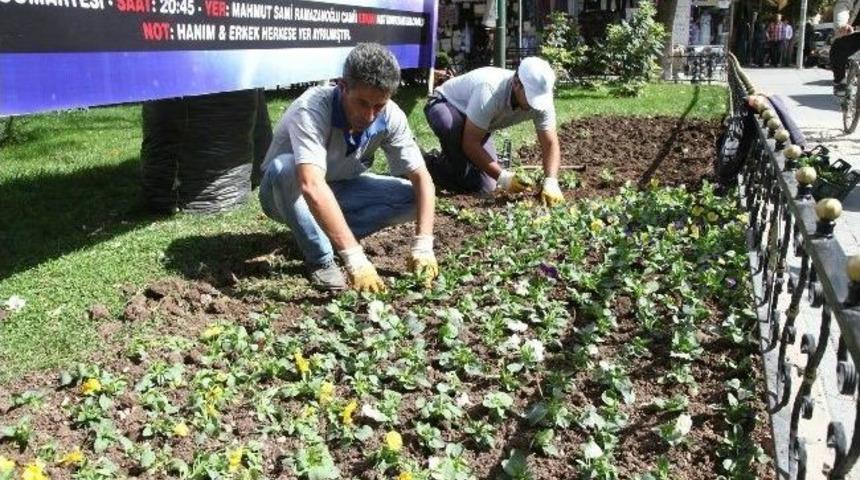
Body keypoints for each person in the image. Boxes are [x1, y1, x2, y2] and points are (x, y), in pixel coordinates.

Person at [258, 43, 437, 292]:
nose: (370, 115)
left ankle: (324, 235)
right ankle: (320, 258)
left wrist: (423, 245)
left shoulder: (391, 116)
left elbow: (422, 178)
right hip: (286, 194)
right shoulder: (312, 109)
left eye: (379, 106)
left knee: (414, 198)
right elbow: (311, 184)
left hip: (339, 188)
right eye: (362, 103)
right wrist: (355, 259)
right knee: (284, 168)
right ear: (343, 87)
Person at [422, 57, 564, 206]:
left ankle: (447, 167)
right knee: (458, 153)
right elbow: (470, 144)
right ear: (516, 83)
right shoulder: (490, 90)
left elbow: (550, 144)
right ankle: (425, 162)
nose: (535, 105)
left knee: (486, 186)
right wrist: (504, 177)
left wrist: (551, 181)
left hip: (478, 125)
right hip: (446, 105)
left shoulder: (542, 101)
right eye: (531, 97)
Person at [830, 0, 860, 96]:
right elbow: (843, 5)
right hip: (853, 31)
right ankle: (840, 81)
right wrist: (842, 25)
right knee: (838, 48)